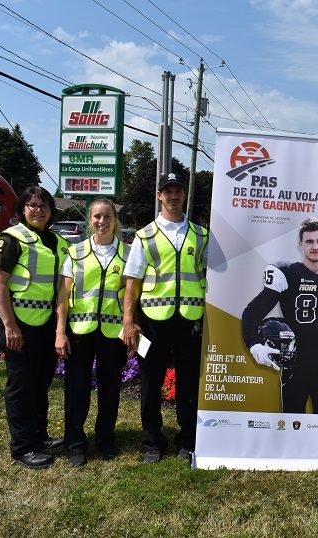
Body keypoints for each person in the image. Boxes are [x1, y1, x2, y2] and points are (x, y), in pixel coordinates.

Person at [122, 172, 208, 464]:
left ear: (184, 195)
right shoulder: (144, 236)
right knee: (150, 382)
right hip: (153, 321)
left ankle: (187, 439)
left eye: (177, 190)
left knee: (188, 383)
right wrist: (128, 321)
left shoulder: (200, 234)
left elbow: (213, 275)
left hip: (190, 321)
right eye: (167, 191)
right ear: (159, 196)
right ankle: (152, 441)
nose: (173, 196)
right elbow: (132, 282)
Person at [0, 186, 69, 469]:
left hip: (45, 324)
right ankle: (22, 447)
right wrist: (9, 325)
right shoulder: (11, 240)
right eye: (32, 205)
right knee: (21, 385)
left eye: (44, 205)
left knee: (41, 381)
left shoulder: (58, 242)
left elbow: (61, 289)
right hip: (18, 323)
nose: (38, 210)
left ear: (51, 211)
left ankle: (40, 436)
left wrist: (60, 326)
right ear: (22, 209)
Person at [55, 198, 129, 466]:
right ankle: (75, 443)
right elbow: (62, 297)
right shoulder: (74, 253)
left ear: (114, 220)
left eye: (107, 216)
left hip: (113, 333)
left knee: (110, 389)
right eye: (97, 216)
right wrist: (60, 332)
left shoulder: (128, 253)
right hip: (79, 331)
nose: (102, 221)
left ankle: (106, 439)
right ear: (90, 220)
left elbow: (133, 297)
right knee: (77, 390)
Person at [241, 218, 318, 414]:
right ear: (300, 244)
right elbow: (252, 312)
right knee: (291, 424)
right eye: (309, 241)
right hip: (296, 364)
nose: (315, 246)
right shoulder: (288, 272)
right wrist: (254, 345)